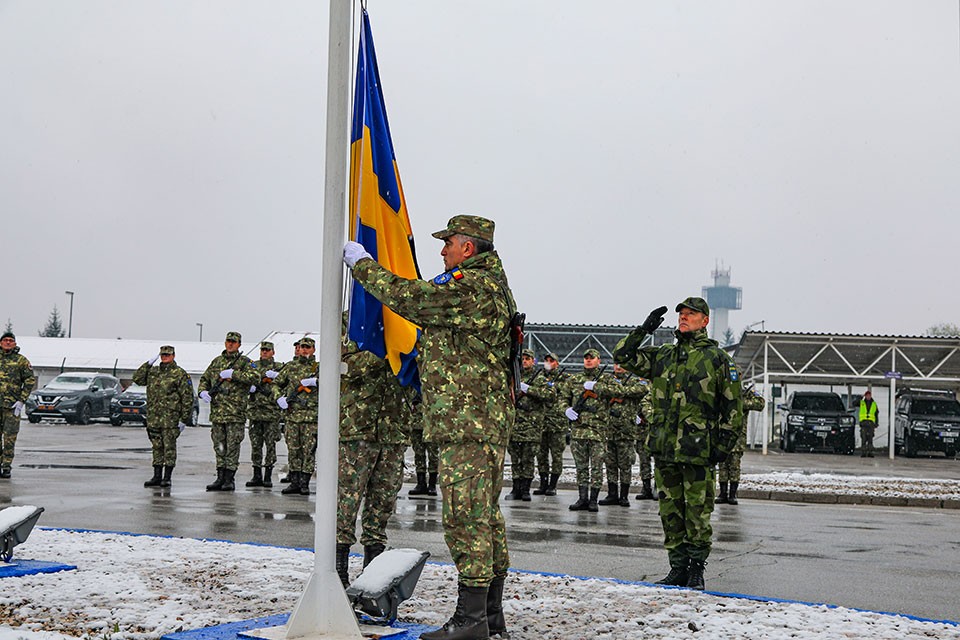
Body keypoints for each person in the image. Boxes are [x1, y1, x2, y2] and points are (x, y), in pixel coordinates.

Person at [344, 214, 516, 640]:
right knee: (486, 518)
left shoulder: (472, 285)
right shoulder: (490, 284)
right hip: (478, 421)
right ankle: (490, 617)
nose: (442, 251)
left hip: (468, 422)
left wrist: (363, 265)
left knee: (467, 519)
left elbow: (412, 299)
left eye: (448, 243)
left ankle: (471, 622)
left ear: (468, 249)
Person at [613, 297, 743, 591]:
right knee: (670, 513)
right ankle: (677, 569)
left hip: (698, 451)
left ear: (705, 321)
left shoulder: (718, 360)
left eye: (691, 314)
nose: (684, 318)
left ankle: (696, 570)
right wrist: (642, 330)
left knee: (697, 512)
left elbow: (733, 408)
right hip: (665, 448)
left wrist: (723, 446)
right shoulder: (664, 356)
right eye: (681, 314)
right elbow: (621, 356)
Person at [335, 327, 412, 586]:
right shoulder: (355, 325)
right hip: (357, 430)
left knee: (382, 504)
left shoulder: (403, 325)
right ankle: (338, 573)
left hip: (393, 431)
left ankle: (372, 578)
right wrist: (385, 352)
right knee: (346, 501)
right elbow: (342, 367)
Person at [198, 331, 257, 492]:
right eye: (228, 341)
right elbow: (204, 379)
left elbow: (255, 377)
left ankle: (229, 479)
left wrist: (234, 374)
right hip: (218, 412)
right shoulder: (216, 362)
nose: (230, 344)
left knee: (232, 446)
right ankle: (220, 477)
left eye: (234, 342)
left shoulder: (245, 362)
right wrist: (203, 392)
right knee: (219, 446)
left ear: (239, 344)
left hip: (235, 413)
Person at [132, 345, 194, 488]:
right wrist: (148, 364)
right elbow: (137, 379)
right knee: (156, 447)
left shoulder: (179, 374)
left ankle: (167, 477)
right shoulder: (153, 372)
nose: (165, 357)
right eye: (163, 355)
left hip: (170, 419)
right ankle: (157, 476)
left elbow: (187, 397)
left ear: (173, 356)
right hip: (154, 417)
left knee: (169, 448)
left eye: (168, 355)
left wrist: (184, 419)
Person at [562, 349, 609, 513]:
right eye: (586, 358)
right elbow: (562, 398)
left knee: (596, 467)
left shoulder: (607, 379)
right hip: (578, 432)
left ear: (599, 360)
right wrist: (566, 409)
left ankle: (593, 500)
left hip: (597, 432)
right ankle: (582, 498)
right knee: (581, 467)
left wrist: (598, 387)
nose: (588, 361)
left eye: (592, 358)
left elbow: (620, 393)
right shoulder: (574, 380)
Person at [595, 363, 648, 507]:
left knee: (625, 465)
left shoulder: (634, 381)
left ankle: (624, 495)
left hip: (626, 431)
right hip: (609, 430)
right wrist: (618, 392)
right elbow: (598, 389)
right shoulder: (606, 380)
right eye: (616, 364)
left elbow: (643, 389)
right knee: (610, 464)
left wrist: (618, 392)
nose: (618, 367)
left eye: (622, 364)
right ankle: (612, 494)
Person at [274, 336, 319, 496]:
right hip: (292, 417)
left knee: (308, 451)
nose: (305, 350)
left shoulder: (319, 367)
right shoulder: (291, 367)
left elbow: (333, 382)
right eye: (302, 347)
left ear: (313, 350)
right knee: (293, 450)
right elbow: (276, 384)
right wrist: (279, 398)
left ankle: (304, 483)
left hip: (311, 418)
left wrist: (316, 382)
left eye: (308, 347)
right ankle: (294, 482)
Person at [505, 349, 546, 502]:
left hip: (531, 427)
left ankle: (526, 490)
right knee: (515, 459)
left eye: (528, 359)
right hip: (515, 426)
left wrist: (530, 390)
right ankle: (515, 489)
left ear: (533, 361)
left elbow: (550, 395)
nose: (525, 361)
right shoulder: (513, 378)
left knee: (528, 459)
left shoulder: (540, 378)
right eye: (522, 359)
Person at [716, 382, 765, 505]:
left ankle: (732, 495)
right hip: (723, 436)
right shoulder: (722, 392)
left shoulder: (744, 395)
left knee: (734, 467)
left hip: (738, 439)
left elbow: (760, 403)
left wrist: (745, 398)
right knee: (722, 467)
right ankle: (723, 493)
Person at [245, 341, 284, 488]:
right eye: (263, 350)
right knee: (256, 445)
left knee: (270, 445)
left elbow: (286, 380)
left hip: (271, 412)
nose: (264, 352)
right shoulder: (253, 366)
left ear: (273, 352)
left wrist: (275, 376)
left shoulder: (278, 367)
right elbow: (245, 379)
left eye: (267, 350)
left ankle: (267, 476)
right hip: (255, 412)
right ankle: (256, 475)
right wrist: (251, 387)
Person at [0, 332, 35, 479]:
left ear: (14, 343)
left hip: (11, 407)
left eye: (10, 341)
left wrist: (21, 400)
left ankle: (6, 466)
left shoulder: (21, 361)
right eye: (5, 340)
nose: (8, 342)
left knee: (9, 438)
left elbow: (29, 380)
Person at [533, 352, 565, 496]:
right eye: (546, 360)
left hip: (557, 423)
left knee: (556, 455)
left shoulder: (565, 378)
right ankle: (543, 483)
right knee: (541, 455)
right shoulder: (540, 378)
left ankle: (553, 485)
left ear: (557, 363)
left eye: (551, 360)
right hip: (541, 422)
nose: (548, 363)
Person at [408, 390, 439, 497]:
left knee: (433, 455)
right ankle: (421, 484)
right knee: (419, 454)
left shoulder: (432, 381)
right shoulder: (413, 382)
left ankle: (432, 484)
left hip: (431, 424)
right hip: (416, 423)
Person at [859, 390, 878, 458]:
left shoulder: (874, 404)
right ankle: (863, 452)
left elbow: (876, 414)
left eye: (869, 395)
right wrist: (860, 398)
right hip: (863, 423)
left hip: (870, 423)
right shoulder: (861, 402)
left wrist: (876, 423)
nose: (868, 397)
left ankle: (870, 452)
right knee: (863, 438)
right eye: (867, 395)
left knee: (870, 439)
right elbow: (854, 403)